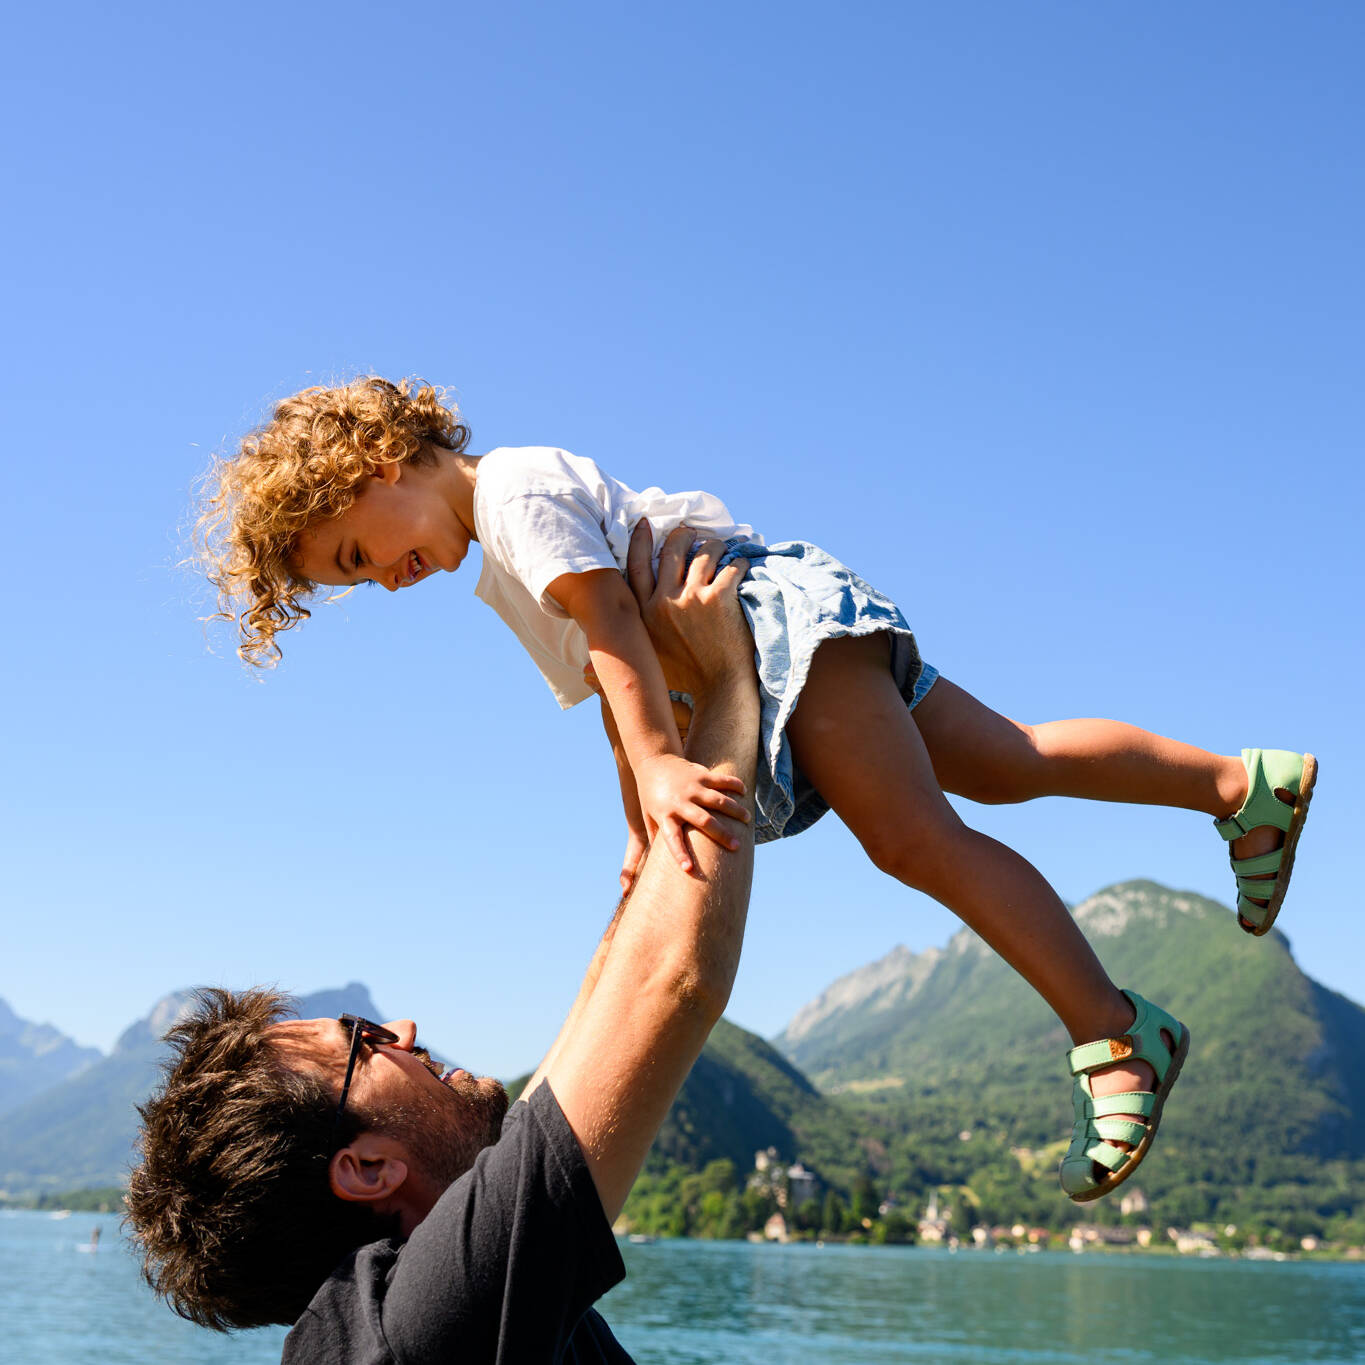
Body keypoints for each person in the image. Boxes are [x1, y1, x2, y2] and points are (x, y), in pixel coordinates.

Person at [195, 375, 1317, 1202]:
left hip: (771, 627)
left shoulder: (516, 497)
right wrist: (641, 820)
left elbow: (624, 635)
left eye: (352, 555)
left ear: (377, 464)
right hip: (789, 619)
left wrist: (665, 765)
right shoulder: (501, 552)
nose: (379, 583)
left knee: (915, 840)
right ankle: (1237, 787)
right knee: (1007, 760)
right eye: (352, 583)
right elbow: (610, 685)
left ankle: (1116, 1032)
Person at [127, 526, 759, 1359]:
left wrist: (648, 815)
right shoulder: (425, 1326)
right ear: (364, 1169)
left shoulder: (426, 1317)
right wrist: (727, 682)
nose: (408, 1031)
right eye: (366, 1039)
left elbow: (611, 999)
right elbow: (666, 984)